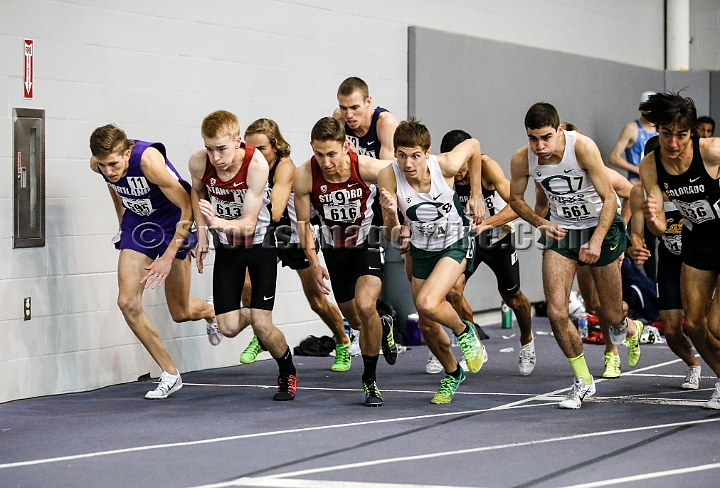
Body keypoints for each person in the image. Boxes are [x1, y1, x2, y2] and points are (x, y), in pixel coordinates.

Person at [509, 102, 642, 409]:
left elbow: (611, 197)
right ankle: (582, 381)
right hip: (563, 233)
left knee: (609, 315)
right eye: (532, 138)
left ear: (559, 131)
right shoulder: (522, 158)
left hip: (601, 228)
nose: (539, 146)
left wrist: (596, 241)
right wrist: (542, 223)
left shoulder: (582, 148)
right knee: (557, 312)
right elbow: (516, 199)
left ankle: (632, 326)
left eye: (545, 137)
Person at [89, 124, 216, 400]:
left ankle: (209, 311)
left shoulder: (148, 161)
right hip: (140, 225)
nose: (109, 170)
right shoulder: (99, 165)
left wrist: (168, 257)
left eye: (113, 163)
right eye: (102, 165)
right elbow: (114, 185)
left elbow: (187, 207)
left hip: (175, 222)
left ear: (127, 153)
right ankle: (170, 374)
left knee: (180, 312)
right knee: (127, 302)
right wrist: (122, 221)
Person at [189, 110, 298, 401]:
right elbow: (197, 193)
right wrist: (201, 233)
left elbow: (249, 222)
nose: (216, 158)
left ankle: (287, 370)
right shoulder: (199, 162)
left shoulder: (256, 164)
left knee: (264, 327)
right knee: (228, 328)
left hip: (259, 245)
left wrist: (216, 224)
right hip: (228, 249)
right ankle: (251, 314)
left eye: (222, 149)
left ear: (238, 141)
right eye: (209, 149)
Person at [378, 119, 487, 404]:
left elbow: (474, 147)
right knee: (427, 324)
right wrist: (391, 215)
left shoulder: (446, 165)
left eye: (415, 155)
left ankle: (465, 332)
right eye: (401, 155)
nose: (408, 163)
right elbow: (391, 235)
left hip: (454, 242)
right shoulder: (389, 177)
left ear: (427, 153)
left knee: (427, 302)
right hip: (421, 249)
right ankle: (452, 373)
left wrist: (476, 193)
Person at [293, 117, 398, 407]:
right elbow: (303, 224)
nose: (325, 162)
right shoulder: (304, 175)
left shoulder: (368, 167)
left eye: (331, 154)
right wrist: (313, 261)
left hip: (368, 241)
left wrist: (393, 215)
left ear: (346, 146)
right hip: (334, 249)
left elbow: (406, 182)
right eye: (318, 154)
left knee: (366, 306)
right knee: (356, 320)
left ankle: (370, 380)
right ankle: (385, 324)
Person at [237, 119, 351, 372]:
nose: (255, 154)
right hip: (268, 236)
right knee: (246, 283)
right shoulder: (248, 166)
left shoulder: (285, 166)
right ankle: (261, 332)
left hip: (294, 234)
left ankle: (342, 340)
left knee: (316, 301)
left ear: (275, 147)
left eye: (262, 149)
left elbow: (276, 212)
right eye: (250, 148)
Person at [426, 129, 534, 377]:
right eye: (456, 165)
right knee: (452, 291)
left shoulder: (486, 167)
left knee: (512, 297)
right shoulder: (443, 171)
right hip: (466, 240)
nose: (459, 172)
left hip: (497, 237)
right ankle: (473, 344)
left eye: (464, 165)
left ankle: (527, 340)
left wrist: (488, 223)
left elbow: (516, 207)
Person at [638, 92, 720, 409]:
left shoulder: (711, 151)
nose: (673, 144)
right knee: (693, 326)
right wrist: (655, 221)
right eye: (666, 134)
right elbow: (658, 223)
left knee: (717, 326)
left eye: (681, 135)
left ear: (693, 132)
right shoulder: (651, 165)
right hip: (697, 242)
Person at [535, 161, 635, 380]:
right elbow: (541, 206)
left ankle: (612, 353)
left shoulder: (600, 172)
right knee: (591, 306)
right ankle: (631, 328)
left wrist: (622, 231)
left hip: (605, 240)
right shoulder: (548, 175)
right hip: (574, 241)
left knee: (605, 307)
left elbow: (631, 192)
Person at [333, 76, 400, 355]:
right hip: (357, 197)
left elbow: (387, 171)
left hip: (386, 193)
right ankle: (376, 319)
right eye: (344, 108)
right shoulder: (337, 119)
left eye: (355, 108)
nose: (349, 115)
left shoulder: (384, 123)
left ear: (369, 102)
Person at [628, 181, 702, 389]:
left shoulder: (693, 184)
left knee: (704, 325)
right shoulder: (640, 191)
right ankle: (693, 365)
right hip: (670, 261)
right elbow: (637, 233)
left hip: (700, 261)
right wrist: (636, 246)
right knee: (670, 329)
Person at [610, 91, 659, 280]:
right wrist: (640, 169)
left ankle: (651, 288)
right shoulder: (633, 129)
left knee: (652, 245)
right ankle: (637, 286)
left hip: (654, 192)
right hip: (635, 190)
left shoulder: (662, 131)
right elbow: (614, 156)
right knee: (633, 241)